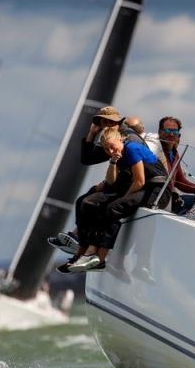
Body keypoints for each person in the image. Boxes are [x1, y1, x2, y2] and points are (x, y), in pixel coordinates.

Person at [66, 127, 170, 272]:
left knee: (113, 208)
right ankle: (88, 252)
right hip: (145, 188)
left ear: (120, 139)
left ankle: (99, 258)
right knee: (93, 204)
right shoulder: (118, 154)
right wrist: (113, 162)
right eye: (107, 149)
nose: (110, 151)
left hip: (159, 190)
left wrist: (123, 198)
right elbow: (111, 181)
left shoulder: (132, 148)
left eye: (112, 147)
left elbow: (139, 181)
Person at [48, 106, 144, 256]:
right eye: (102, 122)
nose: (105, 125)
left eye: (109, 122)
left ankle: (81, 240)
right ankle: (77, 237)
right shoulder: (109, 136)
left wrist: (108, 185)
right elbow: (87, 159)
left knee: (88, 202)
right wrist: (92, 133)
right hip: (121, 180)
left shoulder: (124, 138)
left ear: (117, 122)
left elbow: (134, 172)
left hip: (132, 184)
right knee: (83, 200)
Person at [158, 116, 195, 213]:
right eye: (168, 130)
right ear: (160, 132)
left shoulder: (174, 153)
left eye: (174, 131)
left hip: (170, 196)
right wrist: (173, 192)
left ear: (179, 135)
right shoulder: (157, 150)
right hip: (160, 197)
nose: (171, 134)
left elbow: (179, 180)